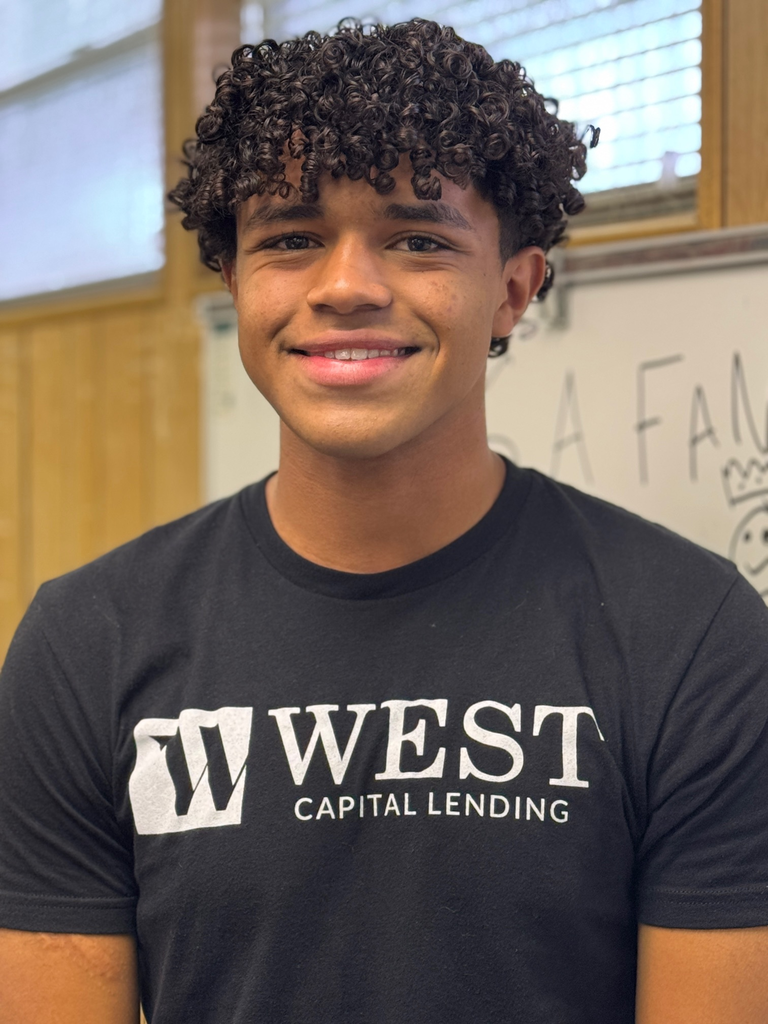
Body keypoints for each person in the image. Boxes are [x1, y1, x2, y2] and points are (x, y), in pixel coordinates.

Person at [1, 19, 767, 1024]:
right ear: (234, 280)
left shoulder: (691, 634)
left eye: (416, 237)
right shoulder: (86, 644)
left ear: (513, 287)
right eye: (291, 237)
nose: (347, 286)